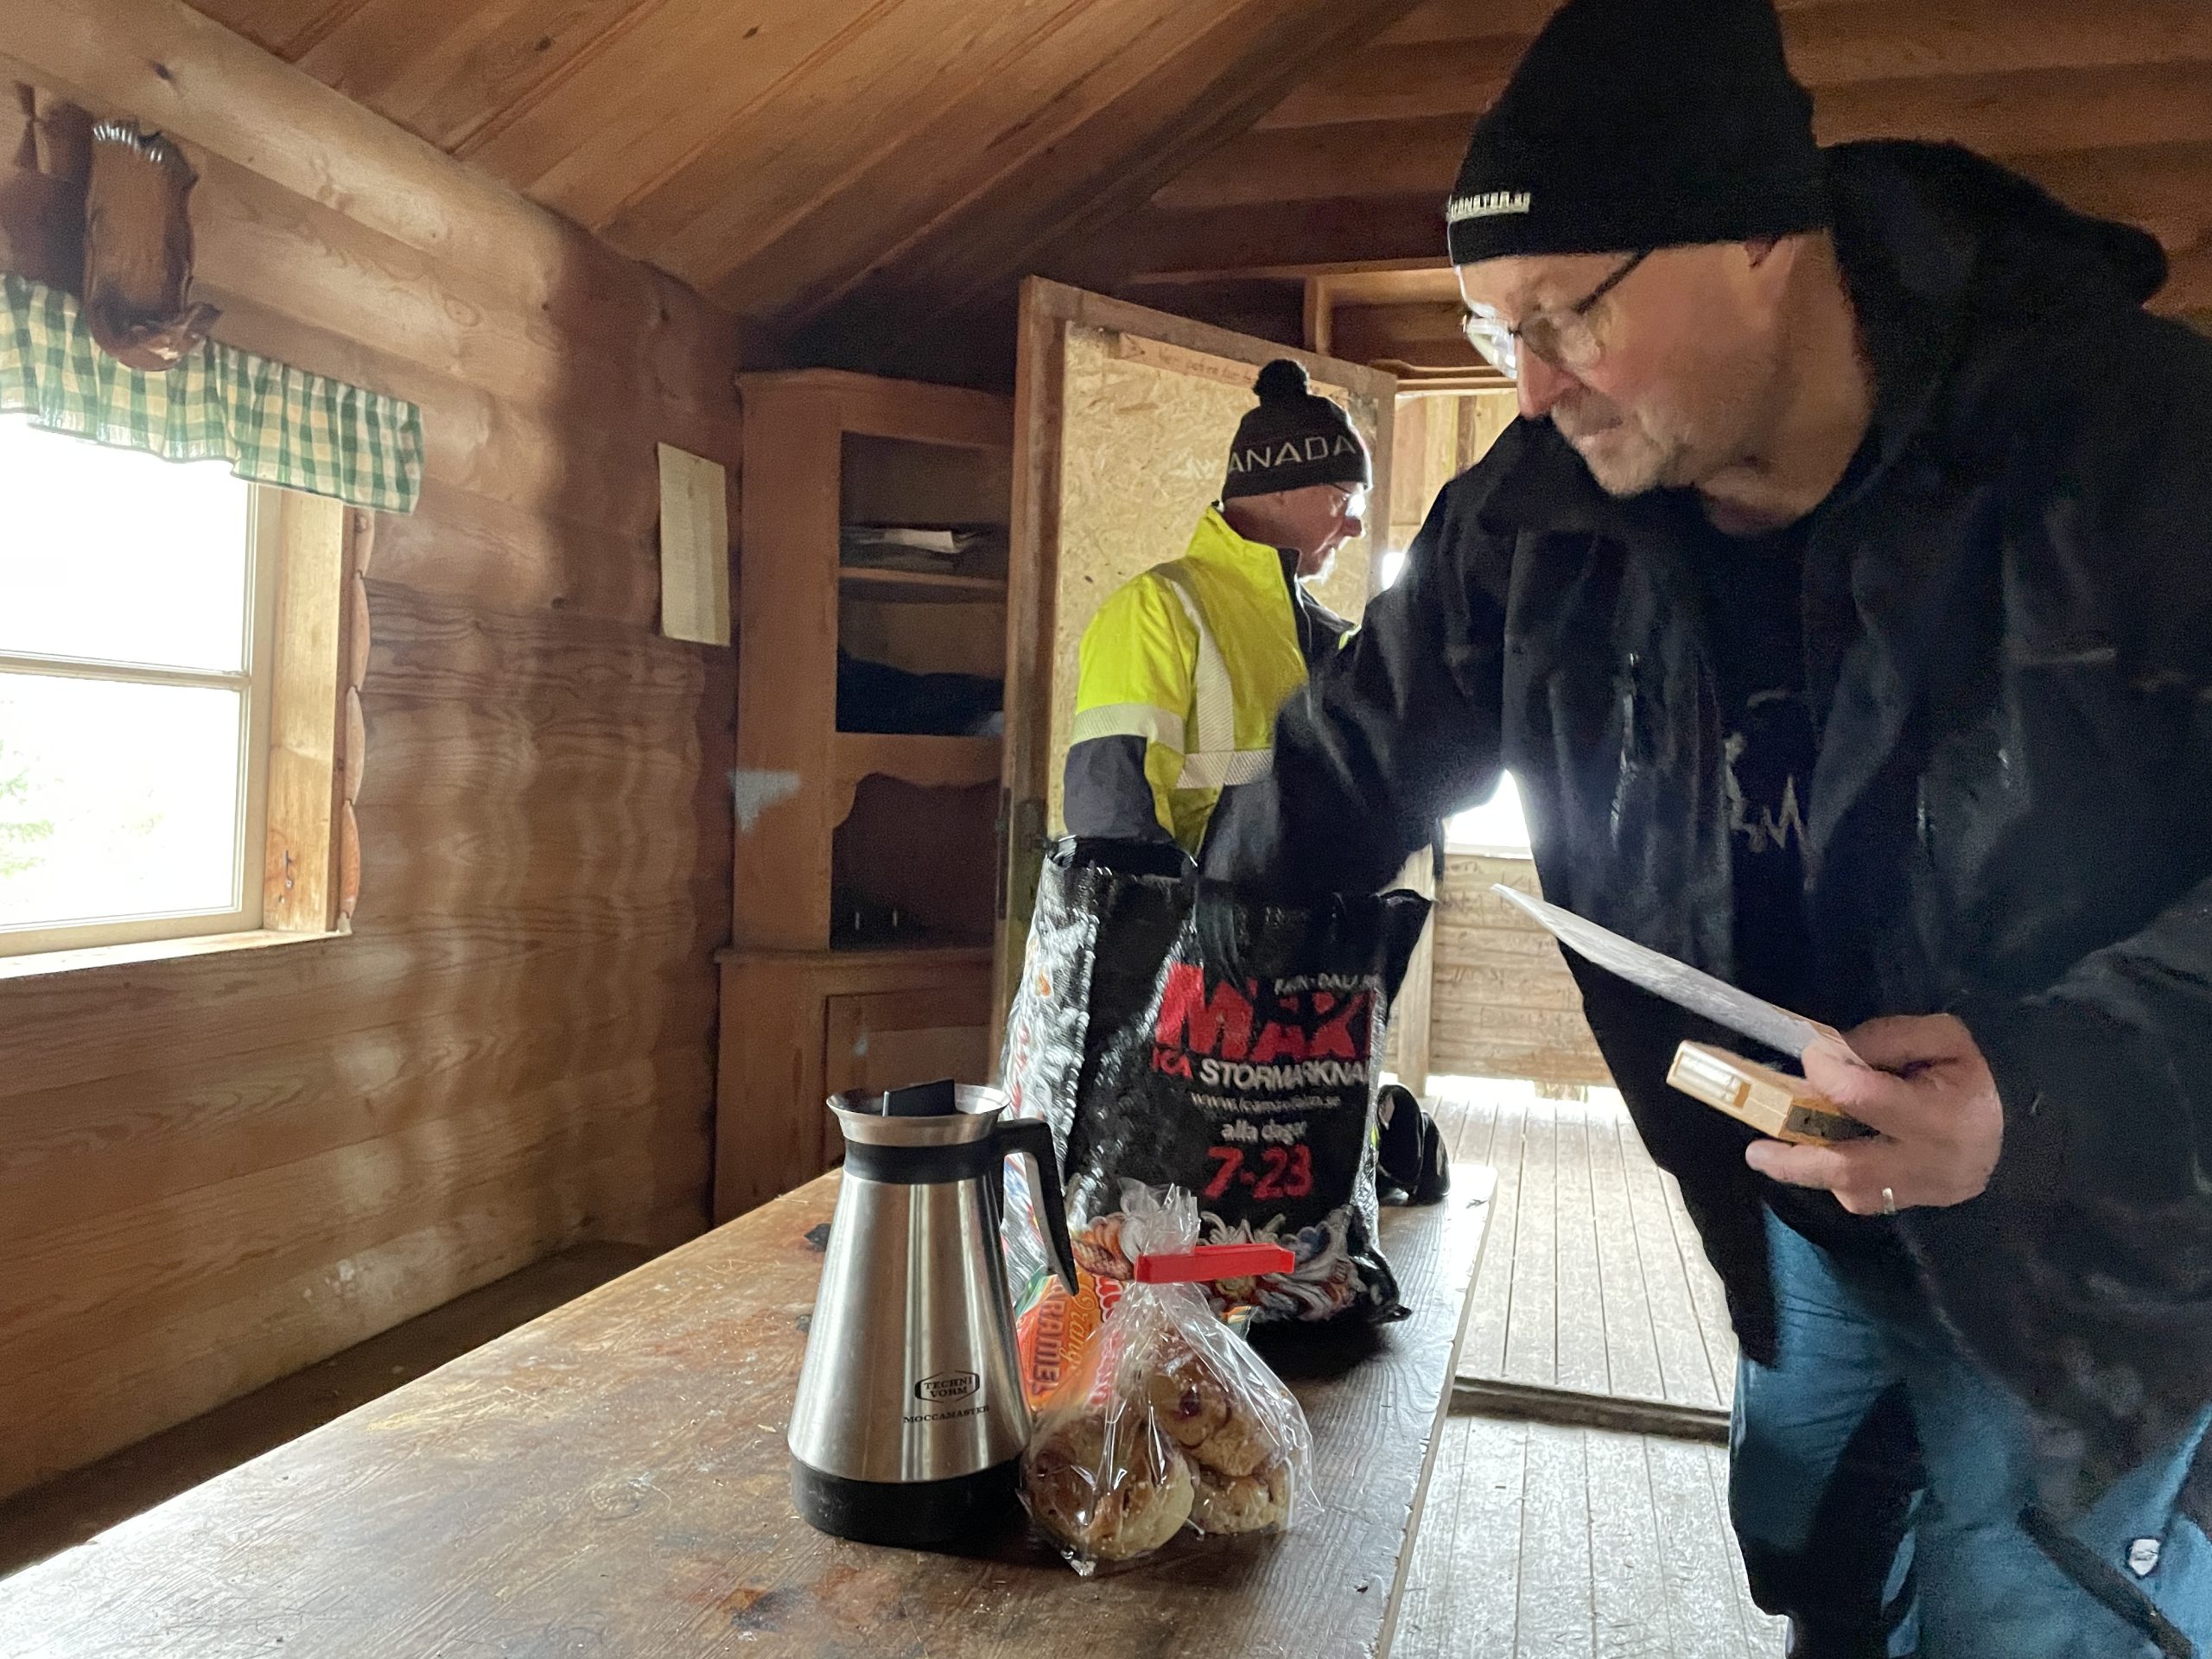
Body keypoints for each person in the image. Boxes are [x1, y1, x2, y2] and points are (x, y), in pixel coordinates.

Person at [1204, 0, 2212, 1653]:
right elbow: (1340, 771)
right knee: (1818, 1579)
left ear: (1761, 236)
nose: (1534, 386)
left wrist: (2038, 1092)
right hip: (1793, 1215)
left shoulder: (2139, 452)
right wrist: (1156, 1052)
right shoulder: (1537, 516)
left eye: (1567, 314)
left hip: (2099, 1264)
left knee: (2023, 1617)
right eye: (1493, 332)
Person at [1062, 359, 1369, 855]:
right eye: (1346, 501)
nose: (1356, 526)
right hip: (1198, 907)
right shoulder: (1159, 608)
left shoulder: (1329, 635)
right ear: (1280, 488)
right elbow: (1114, 819)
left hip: (1305, 906)